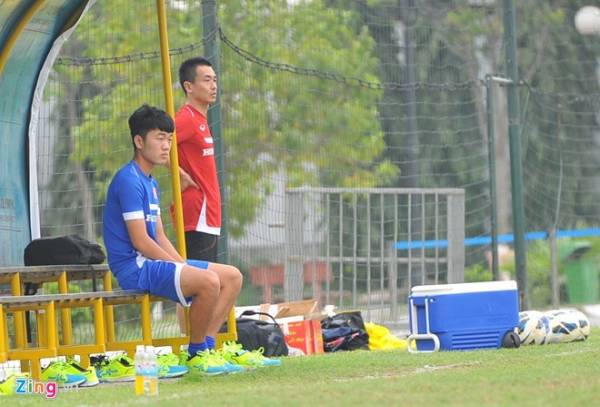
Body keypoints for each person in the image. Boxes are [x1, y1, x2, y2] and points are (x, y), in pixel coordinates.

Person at [102, 104, 242, 375]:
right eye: (159, 138)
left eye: (169, 138)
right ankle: (197, 353)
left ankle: (209, 348)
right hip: (135, 268)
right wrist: (182, 268)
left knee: (232, 277)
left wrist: (180, 263)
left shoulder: (150, 182)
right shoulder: (128, 180)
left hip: (151, 262)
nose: (166, 145)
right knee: (209, 282)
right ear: (139, 141)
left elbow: (159, 235)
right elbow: (141, 242)